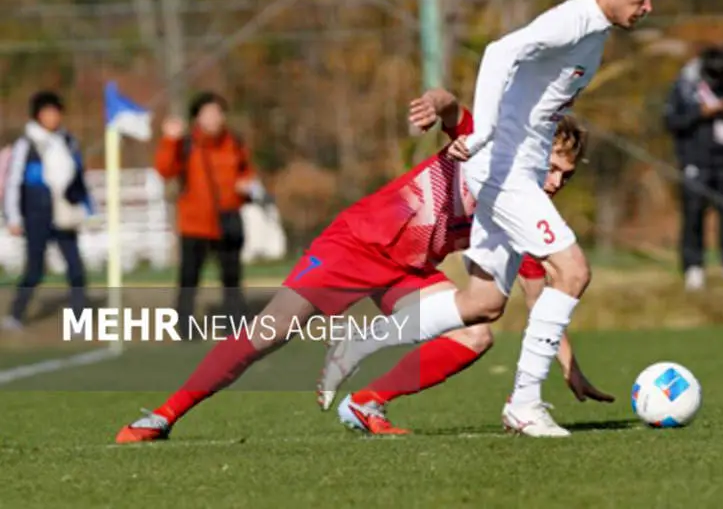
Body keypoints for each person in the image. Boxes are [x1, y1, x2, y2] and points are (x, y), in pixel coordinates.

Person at [319, 0, 675, 437]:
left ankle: (363, 341)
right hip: (504, 172)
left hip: (516, 171)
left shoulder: (596, 34)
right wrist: (483, 128)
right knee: (572, 272)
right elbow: (499, 51)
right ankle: (525, 404)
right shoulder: (575, 19)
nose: (647, 7)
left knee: (482, 303)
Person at [114, 89, 609, 443]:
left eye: (566, 176)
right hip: (357, 245)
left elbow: (538, 290)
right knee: (269, 333)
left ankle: (367, 401)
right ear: (533, 154)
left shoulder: (523, 209)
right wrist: (434, 105)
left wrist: (569, 364)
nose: (556, 182)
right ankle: (163, 414)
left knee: (476, 332)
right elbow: (451, 107)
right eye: (552, 168)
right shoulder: (492, 153)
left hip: (408, 270)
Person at [155, 92, 262, 332]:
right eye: (208, 114)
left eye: (218, 113)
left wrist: (247, 186)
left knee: (232, 278)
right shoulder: (186, 144)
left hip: (229, 219)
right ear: (197, 118)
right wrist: (170, 140)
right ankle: (184, 325)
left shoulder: (234, 142)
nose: (214, 119)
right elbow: (165, 169)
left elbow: (247, 171)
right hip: (195, 223)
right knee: (189, 277)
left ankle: (234, 325)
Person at [2, 91, 93, 332]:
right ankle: (15, 314)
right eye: (47, 112)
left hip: (64, 214)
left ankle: (78, 322)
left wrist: (88, 208)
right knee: (34, 269)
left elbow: (79, 179)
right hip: (36, 215)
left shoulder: (68, 142)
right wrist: (12, 216)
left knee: (76, 269)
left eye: (56, 112)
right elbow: (13, 182)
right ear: (38, 115)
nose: (52, 117)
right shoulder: (26, 144)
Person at [663, 46, 723, 291]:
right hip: (695, 161)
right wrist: (700, 113)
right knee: (693, 216)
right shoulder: (685, 88)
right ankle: (694, 269)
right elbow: (671, 121)